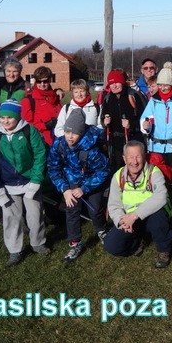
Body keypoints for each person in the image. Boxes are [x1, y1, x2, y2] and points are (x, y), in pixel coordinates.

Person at [0, 99, 49, 266]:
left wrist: (36, 180)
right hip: (8, 184)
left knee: (35, 214)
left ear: (18, 117)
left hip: (29, 181)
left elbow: (40, 155)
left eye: (10, 117)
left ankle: (38, 242)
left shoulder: (29, 130)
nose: (6, 121)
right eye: (2, 117)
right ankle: (14, 249)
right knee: (11, 218)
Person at [47, 109, 110, 264]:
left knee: (94, 209)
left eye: (74, 133)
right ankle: (75, 243)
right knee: (72, 211)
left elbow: (103, 171)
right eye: (67, 131)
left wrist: (84, 188)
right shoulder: (59, 144)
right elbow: (53, 167)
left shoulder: (91, 149)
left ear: (81, 133)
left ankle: (101, 230)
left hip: (91, 182)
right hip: (71, 183)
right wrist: (65, 189)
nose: (70, 136)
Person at [104, 140, 172, 269]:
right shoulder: (118, 176)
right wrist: (121, 221)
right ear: (124, 158)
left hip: (151, 215)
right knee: (111, 246)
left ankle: (164, 249)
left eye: (138, 156)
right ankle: (137, 241)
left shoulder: (154, 172)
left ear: (144, 156)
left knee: (158, 217)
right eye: (130, 157)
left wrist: (134, 215)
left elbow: (161, 197)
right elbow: (114, 205)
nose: (134, 162)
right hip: (130, 219)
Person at [99, 69, 146, 172]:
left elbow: (146, 120)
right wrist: (104, 121)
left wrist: (131, 125)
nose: (114, 86)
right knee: (117, 170)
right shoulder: (107, 98)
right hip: (115, 142)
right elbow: (102, 118)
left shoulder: (135, 95)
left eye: (116, 82)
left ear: (122, 82)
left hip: (134, 140)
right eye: (111, 83)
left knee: (135, 169)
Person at [21, 66, 62, 147]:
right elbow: (26, 125)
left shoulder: (55, 96)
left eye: (45, 81)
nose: (42, 84)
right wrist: (45, 125)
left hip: (59, 141)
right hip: (42, 143)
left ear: (50, 80)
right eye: (39, 81)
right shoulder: (29, 100)